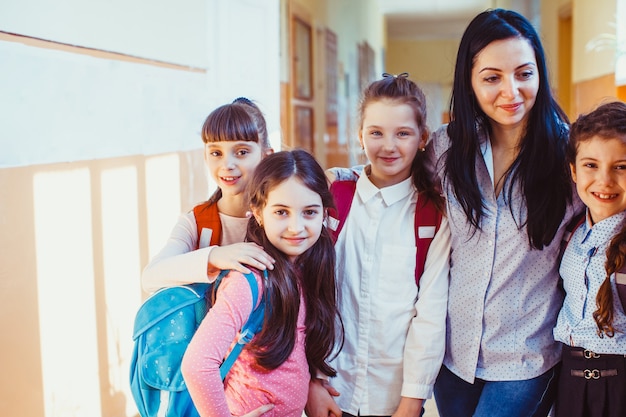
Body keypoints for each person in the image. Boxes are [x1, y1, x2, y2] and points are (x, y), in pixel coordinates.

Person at [427, 9, 583, 417]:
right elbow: (387, 174)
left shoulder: (572, 155)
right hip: (453, 358)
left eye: (524, 74)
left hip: (526, 358)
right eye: (492, 77)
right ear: (471, 82)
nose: (511, 91)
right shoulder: (446, 148)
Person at [307, 73, 451, 417]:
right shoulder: (332, 200)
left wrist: (412, 401)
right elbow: (306, 293)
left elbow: (429, 316)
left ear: (422, 138)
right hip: (329, 387)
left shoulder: (433, 216)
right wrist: (311, 380)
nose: (388, 146)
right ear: (360, 136)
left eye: (402, 133)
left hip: (392, 396)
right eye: (376, 133)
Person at [181, 149, 342, 417]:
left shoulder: (306, 268)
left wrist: (314, 382)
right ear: (257, 213)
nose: (296, 227)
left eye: (310, 212)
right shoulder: (249, 281)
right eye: (281, 212)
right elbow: (197, 364)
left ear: (324, 213)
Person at [141, 97, 275, 294]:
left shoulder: (281, 215)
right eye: (216, 153)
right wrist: (215, 256)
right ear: (205, 156)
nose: (227, 165)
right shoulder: (196, 221)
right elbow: (150, 277)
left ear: (266, 156)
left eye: (241, 152)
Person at [553, 100, 626, 417]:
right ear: (573, 170)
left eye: (621, 166)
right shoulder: (570, 232)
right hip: (570, 379)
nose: (605, 180)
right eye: (591, 165)